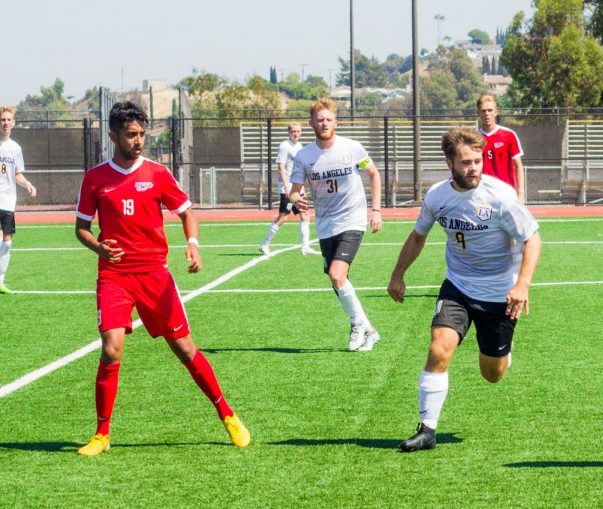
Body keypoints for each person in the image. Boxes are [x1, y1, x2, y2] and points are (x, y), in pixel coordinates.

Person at [74, 101, 250, 456]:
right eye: (131, 135)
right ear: (113, 136)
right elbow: (81, 229)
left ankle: (227, 414)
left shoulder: (157, 174)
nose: (138, 141)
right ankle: (102, 435)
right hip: (114, 276)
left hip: (155, 275)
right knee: (111, 350)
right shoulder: (95, 178)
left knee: (185, 349)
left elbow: (187, 214)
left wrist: (193, 245)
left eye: (141, 134)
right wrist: (99, 248)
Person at [388, 127, 541, 452]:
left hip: (500, 294)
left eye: (477, 161)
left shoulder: (500, 196)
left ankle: (504, 351)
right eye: (466, 162)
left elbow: (533, 237)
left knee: (492, 374)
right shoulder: (437, 197)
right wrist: (398, 273)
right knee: (438, 348)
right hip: (457, 285)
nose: (474, 168)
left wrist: (522, 284)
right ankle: (427, 429)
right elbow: (418, 236)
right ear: (449, 162)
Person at [289, 98, 382, 352]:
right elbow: (293, 191)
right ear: (312, 123)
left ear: (336, 121)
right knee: (338, 282)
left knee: (337, 275)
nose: (324, 123)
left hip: (353, 219)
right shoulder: (304, 156)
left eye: (329, 119)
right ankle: (369, 330)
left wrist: (375, 209)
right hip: (326, 225)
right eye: (319, 119)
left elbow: (373, 173)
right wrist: (298, 199)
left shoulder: (352, 148)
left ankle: (356, 325)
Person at [258, 122, 314, 256]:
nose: (296, 133)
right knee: (284, 217)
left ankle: (305, 247)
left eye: (298, 131)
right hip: (288, 188)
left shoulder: (299, 146)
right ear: (289, 133)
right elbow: (281, 167)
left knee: (305, 214)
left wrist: (301, 187)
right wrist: (287, 186)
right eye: (293, 131)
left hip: (297, 187)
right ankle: (264, 244)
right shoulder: (284, 146)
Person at [0, 107, 38, 294]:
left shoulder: (15, 148)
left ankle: (0, 282)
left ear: (13, 123)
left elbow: (17, 175)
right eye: (2, 119)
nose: (5, 123)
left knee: (7, 242)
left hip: (8, 201)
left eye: (8, 119)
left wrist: (28, 184)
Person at [476, 94, 525, 202]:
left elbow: (518, 166)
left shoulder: (509, 135)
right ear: (478, 113)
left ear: (496, 112)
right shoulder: (473, 138)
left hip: (506, 194)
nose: (487, 114)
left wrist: (521, 193)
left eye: (490, 110)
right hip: (482, 195)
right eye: (483, 111)